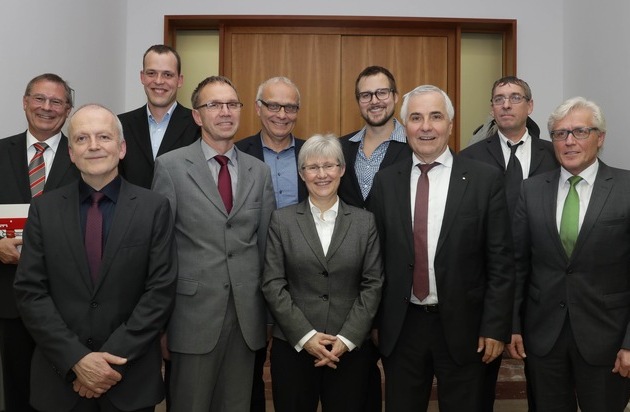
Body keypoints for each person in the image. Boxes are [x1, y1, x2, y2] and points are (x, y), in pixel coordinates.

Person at [13, 104, 177, 412]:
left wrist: (105, 364)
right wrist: (76, 359)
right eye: (82, 138)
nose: (93, 146)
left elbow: (160, 291)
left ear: (121, 147)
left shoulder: (154, 208)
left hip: (130, 378)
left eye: (104, 136)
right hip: (60, 379)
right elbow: (30, 292)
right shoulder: (44, 210)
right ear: (71, 153)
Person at [370, 85, 515, 411]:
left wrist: (495, 326)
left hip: (467, 328)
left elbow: (501, 262)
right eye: (416, 118)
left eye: (435, 117)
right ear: (404, 126)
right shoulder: (386, 182)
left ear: (450, 124)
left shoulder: (485, 180)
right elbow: (375, 260)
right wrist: (377, 322)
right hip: (403, 327)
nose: (426, 127)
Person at [152, 75, 275, 412]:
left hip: (246, 318)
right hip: (190, 316)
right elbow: (160, 251)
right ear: (197, 115)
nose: (225, 111)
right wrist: (160, 323)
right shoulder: (170, 167)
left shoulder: (259, 171)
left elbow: (267, 248)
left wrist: (267, 318)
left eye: (232, 104)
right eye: (214, 105)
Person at [508, 97, 630, 411]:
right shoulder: (531, 190)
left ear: (600, 138)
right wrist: (513, 325)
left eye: (580, 132)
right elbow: (518, 264)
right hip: (544, 337)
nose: (569, 141)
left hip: (608, 339)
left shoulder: (626, 188)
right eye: (560, 134)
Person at [261, 134, 383, 412]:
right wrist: (306, 337)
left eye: (329, 165)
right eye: (312, 167)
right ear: (301, 174)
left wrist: (347, 338)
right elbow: (272, 283)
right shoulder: (282, 221)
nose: (322, 174)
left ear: (342, 169)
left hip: (349, 350)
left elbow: (373, 284)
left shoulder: (365, 223)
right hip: (294, 347)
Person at [460, 76, 558, 411]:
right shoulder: (469, 158)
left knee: (546, 382)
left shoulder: (555, 154)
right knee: (479, 381)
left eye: (515, 97)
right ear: (491, 108)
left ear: (530, 106)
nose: (506, 104)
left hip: (542, 280)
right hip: (487, 279)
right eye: (499, 99)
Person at [0, 73, 79, 412]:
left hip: (68, 301)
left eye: (57, 101)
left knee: (64, 393)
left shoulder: (83, 156)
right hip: (10, 298)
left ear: (68, 110)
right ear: (25, 102)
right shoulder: (0, 151)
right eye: (40, 99)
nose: (47, 107)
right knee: (17, 392)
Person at [235, 76, 306, 412]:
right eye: (273, 105)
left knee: (295, 366)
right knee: (247, 362)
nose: (282, 114)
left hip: (301, 277)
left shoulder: (312, 154)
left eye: (290, 107)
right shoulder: (236, 154)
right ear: (258, 108)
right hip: (249, 272)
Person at [118, 44, 199, 189]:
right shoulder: (119, 125)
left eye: (167, 75)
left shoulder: (198, 125)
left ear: (180, 80)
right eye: (151, 73)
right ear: (142, 77)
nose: (159, 81)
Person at [339, 66, 411, 209]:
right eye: (366, 95)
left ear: (395, 96)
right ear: (358, 101)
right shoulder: (340, 147)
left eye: (382, 93)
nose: (374, 101)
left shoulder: (414, 146)